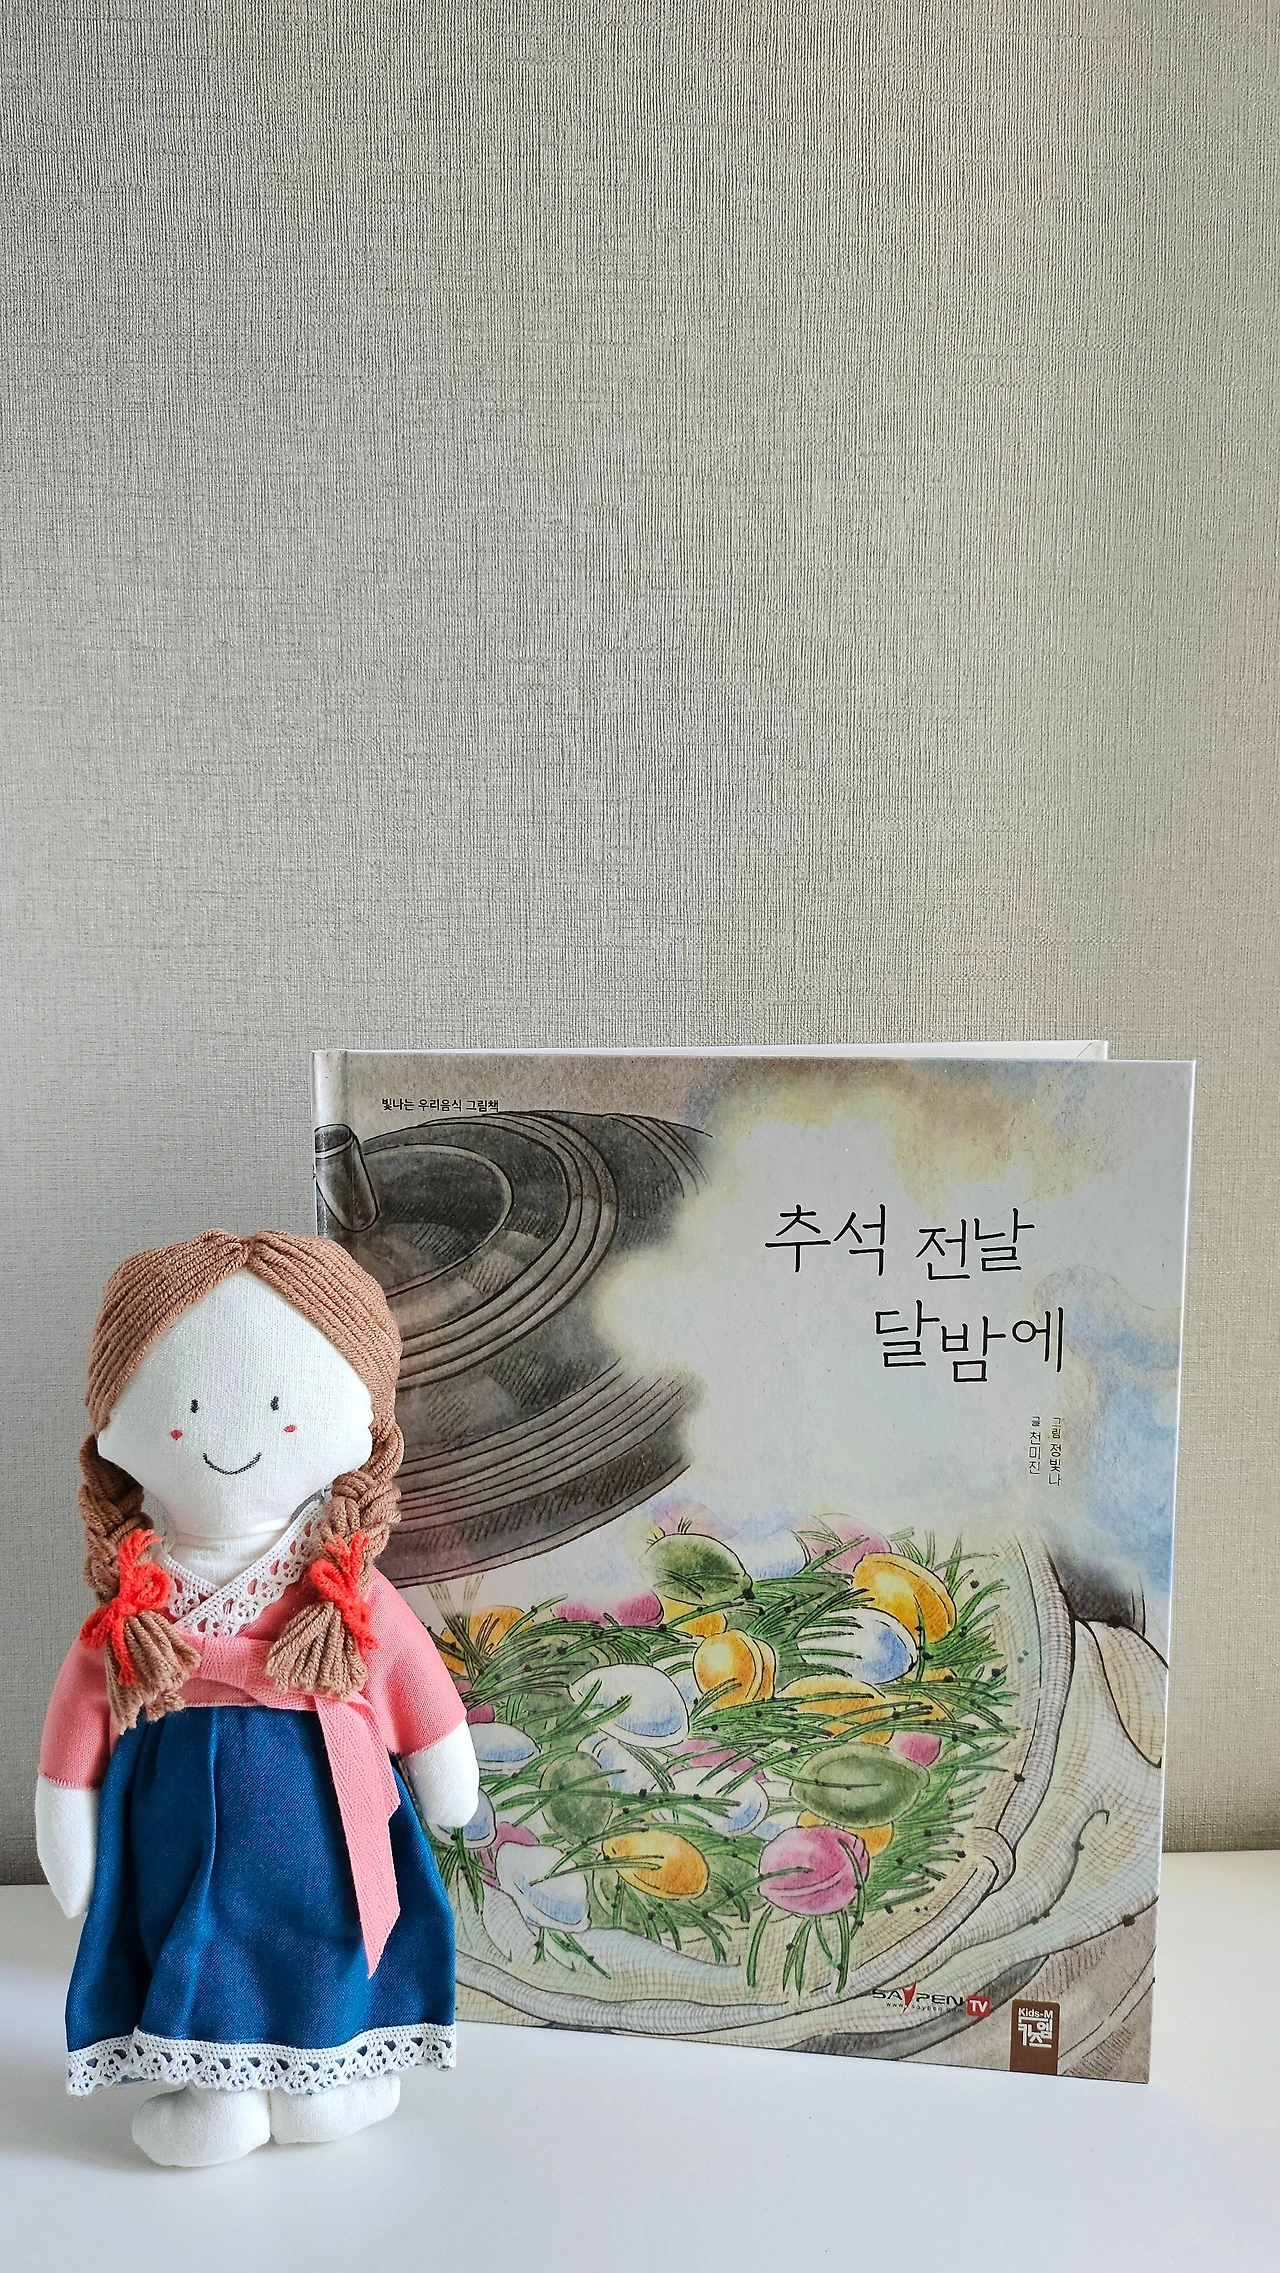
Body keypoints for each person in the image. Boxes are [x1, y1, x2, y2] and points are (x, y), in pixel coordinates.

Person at [36, 1229, 479, 2167]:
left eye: (281, 1406)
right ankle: (219, 2093)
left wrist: (443, 1765)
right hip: (176, 1824)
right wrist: (65, 1819)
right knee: (194, 1935)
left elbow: (403, 1668)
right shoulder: (138, 1601)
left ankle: (322, 2079)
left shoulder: (339, 1588)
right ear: (117, 1430)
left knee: (323, 1933)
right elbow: (83, 1708)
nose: (232, 1431)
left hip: (328, 1808)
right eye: (188, 1405)